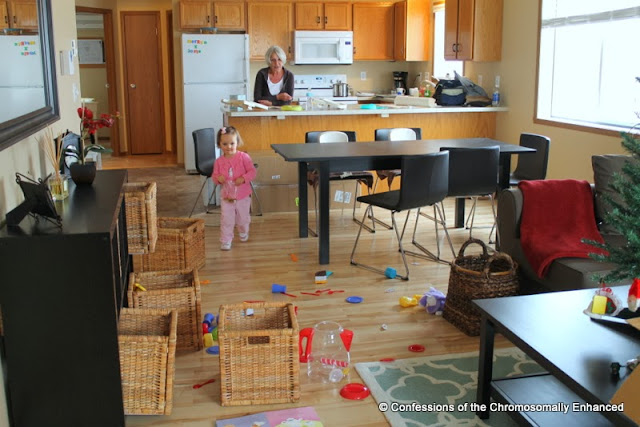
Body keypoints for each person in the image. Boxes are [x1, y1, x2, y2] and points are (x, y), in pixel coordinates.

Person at [212, 126, 256, 250]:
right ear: (219, 144)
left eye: (232, 143)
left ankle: (243, 231)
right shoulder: (219, 162)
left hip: (243, 196)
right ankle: (226, 240)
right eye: (225, 144)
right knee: (226, 219)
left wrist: (244, 178)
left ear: (237, 142)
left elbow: (252, 172)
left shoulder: (244, 157)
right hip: (227, 197)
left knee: (243, 218)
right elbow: (214, 176)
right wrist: (218, 178)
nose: (229, 147)